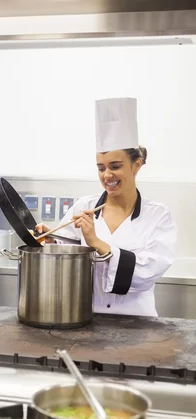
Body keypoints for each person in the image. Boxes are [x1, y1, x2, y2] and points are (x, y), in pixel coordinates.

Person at [36, 97, 177, 317]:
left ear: (136, 165)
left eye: (115, 166)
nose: (107, 175)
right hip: (86, 319)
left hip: (138, 325)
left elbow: (147, 272)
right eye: (101, 168)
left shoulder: (157, 216)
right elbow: (67, 257)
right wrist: (51, 240)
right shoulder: (84, 206)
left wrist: (97, 243)